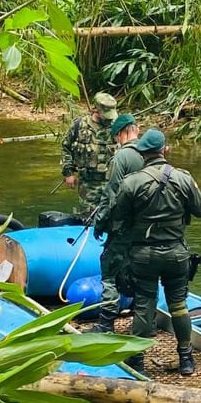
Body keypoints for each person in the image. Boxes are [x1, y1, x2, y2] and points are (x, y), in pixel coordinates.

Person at [111, 128, 201, 375]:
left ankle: (137, 360)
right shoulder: (183, 178)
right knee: (178, 304)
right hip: (176, 253)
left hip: (144, 256)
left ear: (142, 154)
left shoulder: (132, 182)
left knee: (144, 304)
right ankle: (186, 359)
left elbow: (117, 216)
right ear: (165, 150)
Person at [89, 113, 142, 332]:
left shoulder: (123, 157)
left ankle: (106, 323)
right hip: (149, 229)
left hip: (124, 228)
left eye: (116, 137)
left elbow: (112, 194)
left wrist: (100, 222)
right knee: (142, 274)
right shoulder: (153, 153)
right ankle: (143, 321)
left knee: (109, 270)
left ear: (122, 133)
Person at [60, 92, 118, 215]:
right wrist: (68, 173)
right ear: (95, 110)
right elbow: (66, 147)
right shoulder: (79, 125)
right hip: (88, 183)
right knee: (88, 217)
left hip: (112, 182)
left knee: (113, 216)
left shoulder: (117, 126)